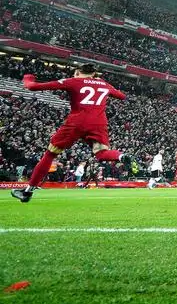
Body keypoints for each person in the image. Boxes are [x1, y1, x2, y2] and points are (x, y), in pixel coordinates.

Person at [10, 63, 137, 203]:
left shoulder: (74, 81)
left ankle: (28, 192)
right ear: (93, 74)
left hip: (76, 122)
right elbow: (122, 96)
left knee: (50, 154)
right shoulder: (103, 84)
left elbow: (32, 87)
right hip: (99, 123)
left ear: (77, 72)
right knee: (101, 153)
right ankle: (122, 156)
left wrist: (28, 77)